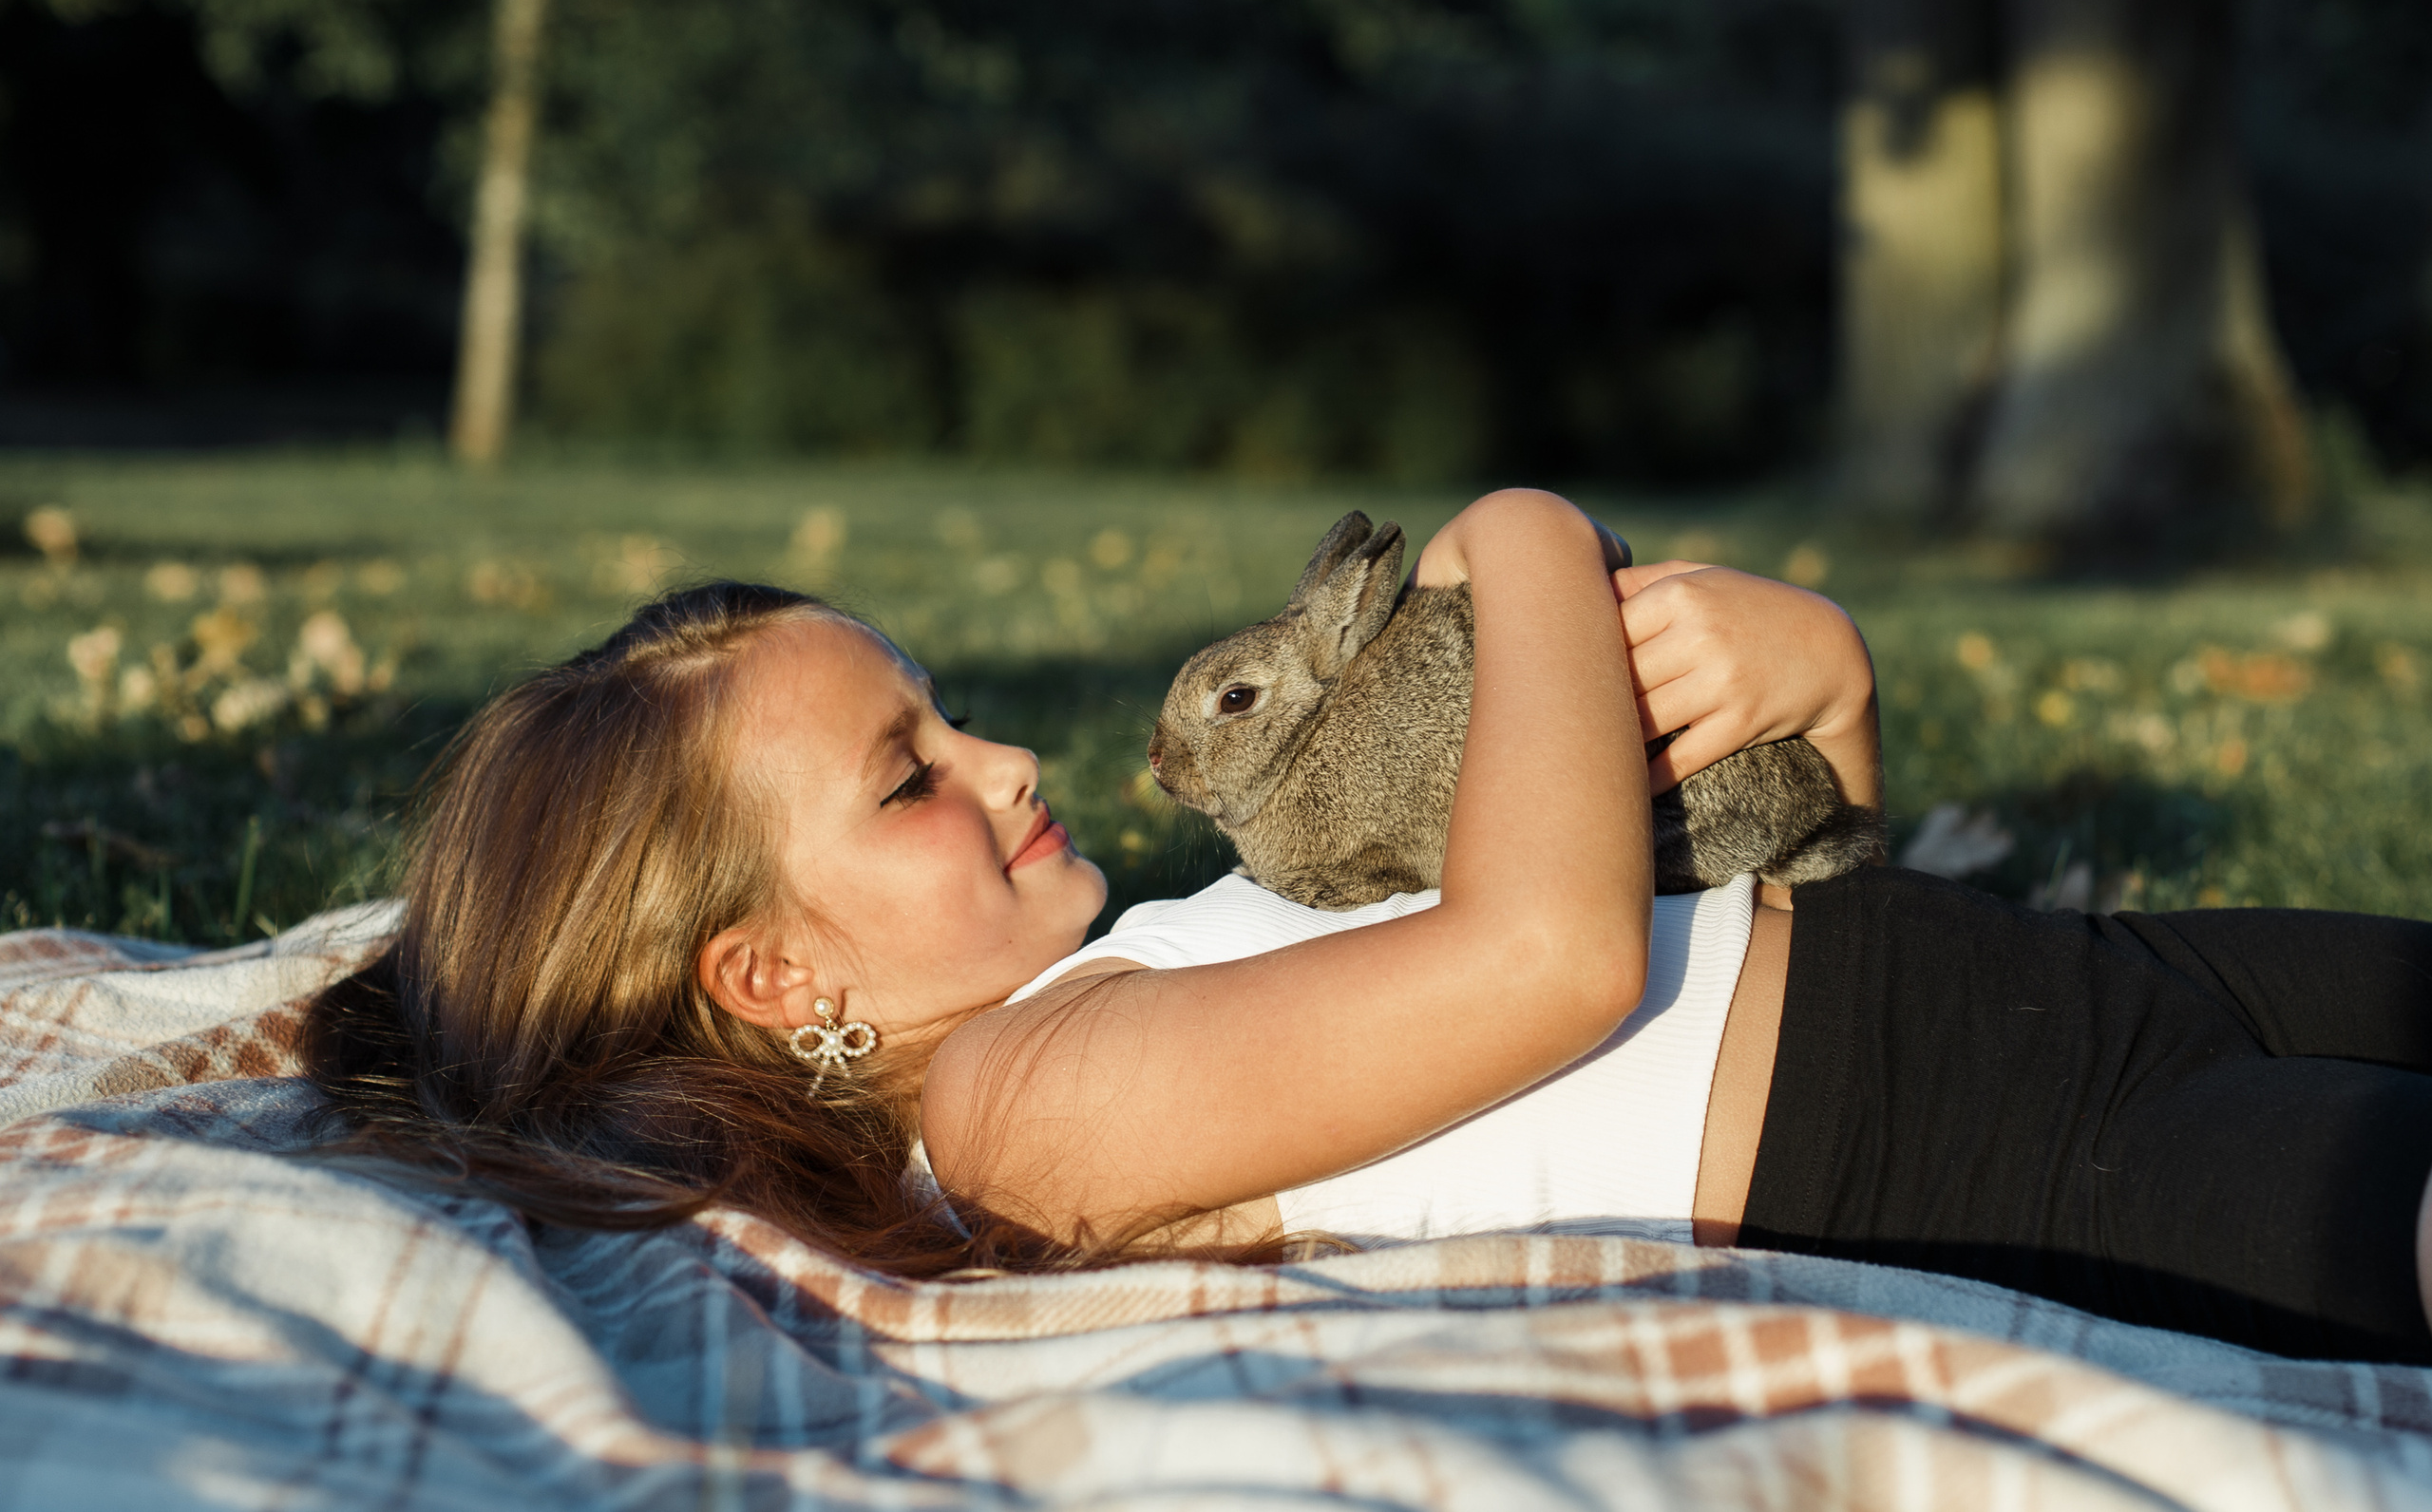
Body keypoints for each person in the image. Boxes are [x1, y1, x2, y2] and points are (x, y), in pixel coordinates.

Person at [306, 490, 2432, 1363]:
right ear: (778, 982)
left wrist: (1825, 689)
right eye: (908, 774)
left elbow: (1763, 907)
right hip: (2019, 1164)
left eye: (944, 705)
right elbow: (1552, 958)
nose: (1007, 757)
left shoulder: (1135, 961)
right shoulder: (1029, 1107)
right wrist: (1524, 547)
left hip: (2076, 984)